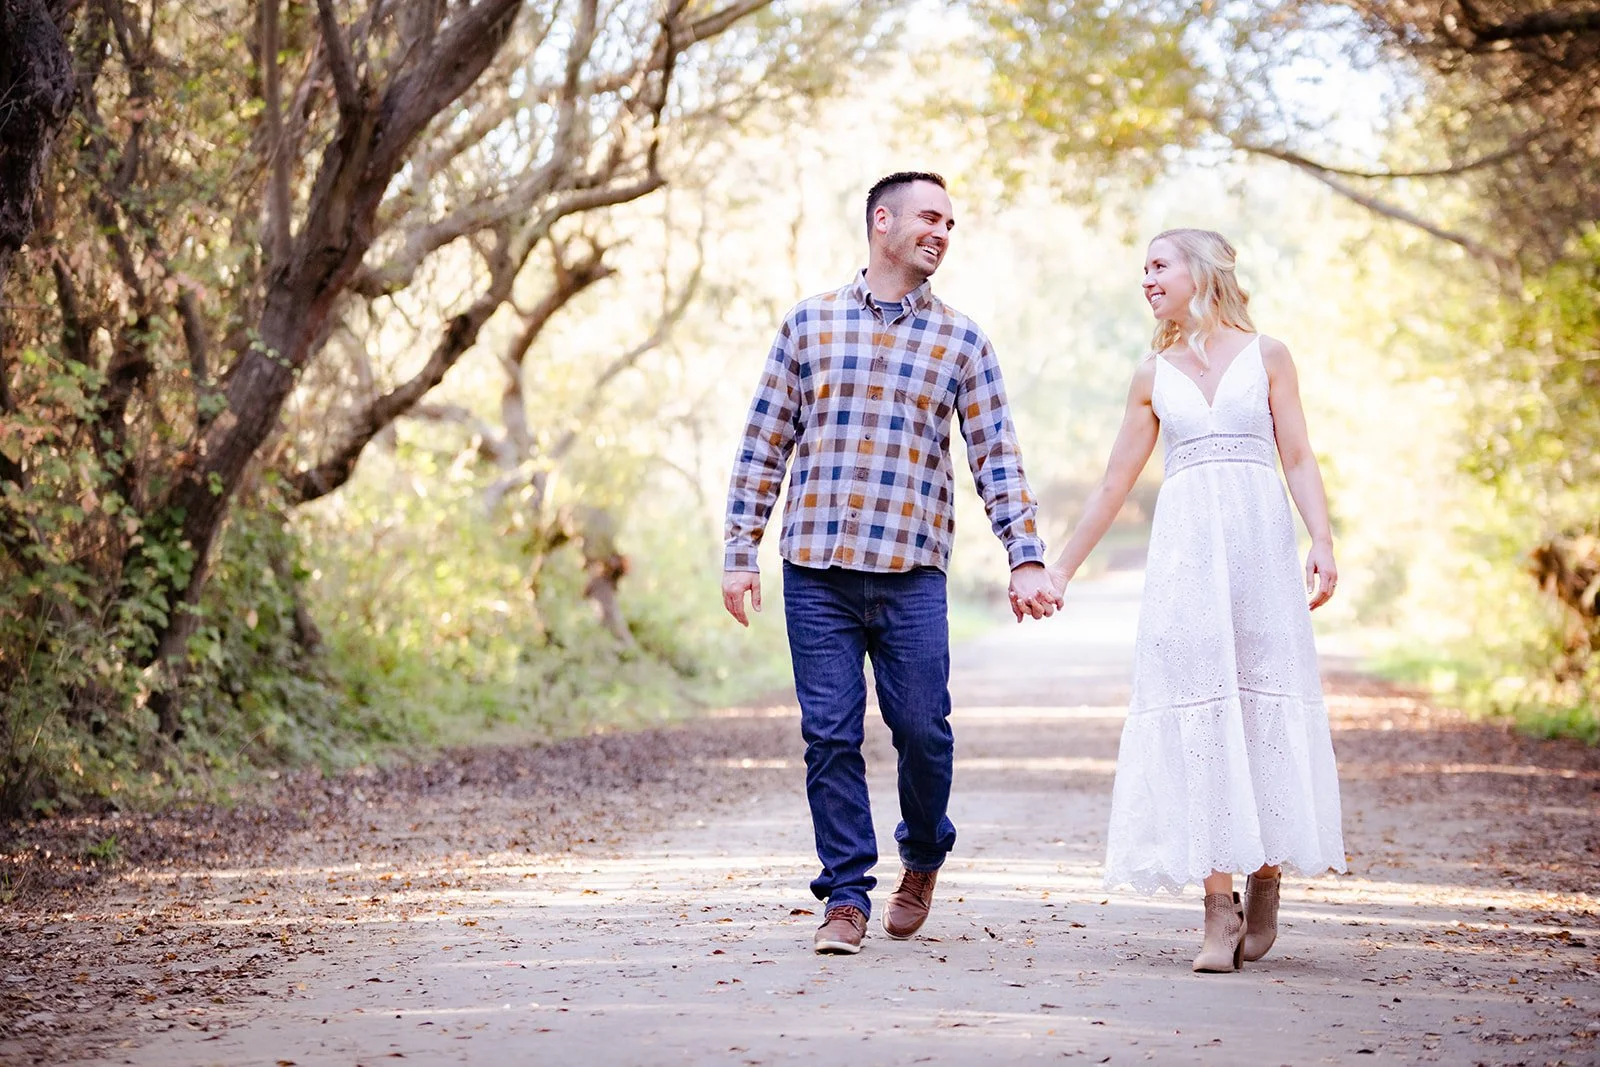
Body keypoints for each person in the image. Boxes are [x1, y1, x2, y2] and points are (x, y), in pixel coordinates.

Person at [721, 171, 1059, 955]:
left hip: (911, 572)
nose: (943, 230)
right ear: (883, 222)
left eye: (951, 221)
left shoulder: (962, 340)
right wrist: (740, 551)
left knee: (922, 730)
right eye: (929, 217)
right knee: (830, 735)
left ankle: (924, 854)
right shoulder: (808, 325)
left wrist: (1026, 556)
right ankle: (844, 894)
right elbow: (764, 443)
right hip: (817, 569)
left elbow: (996, 457)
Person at [1044, 228, 1346, 972]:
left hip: (1261, 558)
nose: (1145, 278)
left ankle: (1265, 873)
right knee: (1202, 712)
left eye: (1157, 264)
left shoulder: (1269, 355)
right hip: (1185, 566)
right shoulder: (1151, 374)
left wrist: (1323, 541)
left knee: (1260, 707)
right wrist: (1059, 570)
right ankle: (1216, 907)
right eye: (1142, 268)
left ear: (1200, 270)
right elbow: (1114, 483)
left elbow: (1299, 455)